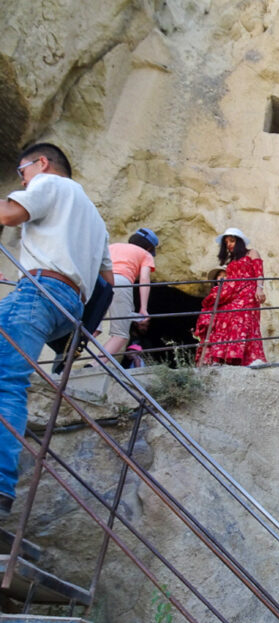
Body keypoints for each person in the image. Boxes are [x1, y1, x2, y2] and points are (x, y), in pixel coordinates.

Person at [0, 143, 113, 517]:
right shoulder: (96, 220)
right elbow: (107, 281)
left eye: (22, 172)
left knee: (6, 384)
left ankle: (0, 482)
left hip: (38, 290)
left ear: (42, 163)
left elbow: (11, 215)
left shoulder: (50, 184)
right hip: (68, 308)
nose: (23, 179)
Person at [193, 227, 267, 366]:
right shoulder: (231, 260)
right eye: (226, 242)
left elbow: (259, 273)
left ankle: (246, 359)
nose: (229, 244)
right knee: (220, 316)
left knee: (243, 319)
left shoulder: (252, 253)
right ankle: (219, 358)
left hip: (248, 292)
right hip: (233, 294)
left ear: (239, 241)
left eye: (232, 241)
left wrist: (260, 289)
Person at [104, 228, 158, 359]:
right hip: (121, 281)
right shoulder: (145, 254)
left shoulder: (112, 246)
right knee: (120, 335)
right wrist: (143, 308)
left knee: (93, 328)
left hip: (99, 280)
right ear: (149, 247)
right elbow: (144, 279)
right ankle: (93, 366)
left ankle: (67, 358)